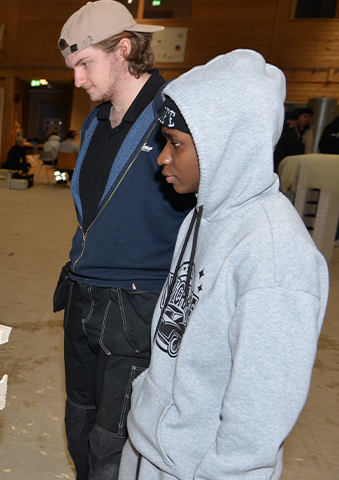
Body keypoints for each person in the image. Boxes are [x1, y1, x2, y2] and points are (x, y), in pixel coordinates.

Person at [120, 49, 328, 480]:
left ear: (226, 146)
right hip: (155, 444)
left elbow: (260, 409)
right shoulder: (202, 214)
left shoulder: (275, 256)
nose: (161, 157)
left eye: (175, 144)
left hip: (201, 466)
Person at [53, 1, 194, 478]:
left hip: (137, 303)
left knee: (115, 440)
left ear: (124, 50)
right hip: (83, 293)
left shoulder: (175, 116)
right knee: (79, 422)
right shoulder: (95, 122)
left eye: (85, 64)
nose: (77, 80)